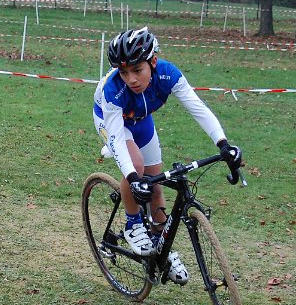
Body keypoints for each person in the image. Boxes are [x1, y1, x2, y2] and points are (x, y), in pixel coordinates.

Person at [93, 27, 242, 285]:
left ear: (153, 62)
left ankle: (160, 244)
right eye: (124, 72)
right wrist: (132, 177)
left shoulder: (168, 74)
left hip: (141, 120)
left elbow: (198, 108)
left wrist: (223, 143)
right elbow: (116, 135)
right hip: (110, 121)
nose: (131, 79)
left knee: (156, 184)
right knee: (136, 166)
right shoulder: (114, 90)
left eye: (137, 70)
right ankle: (132, 224)